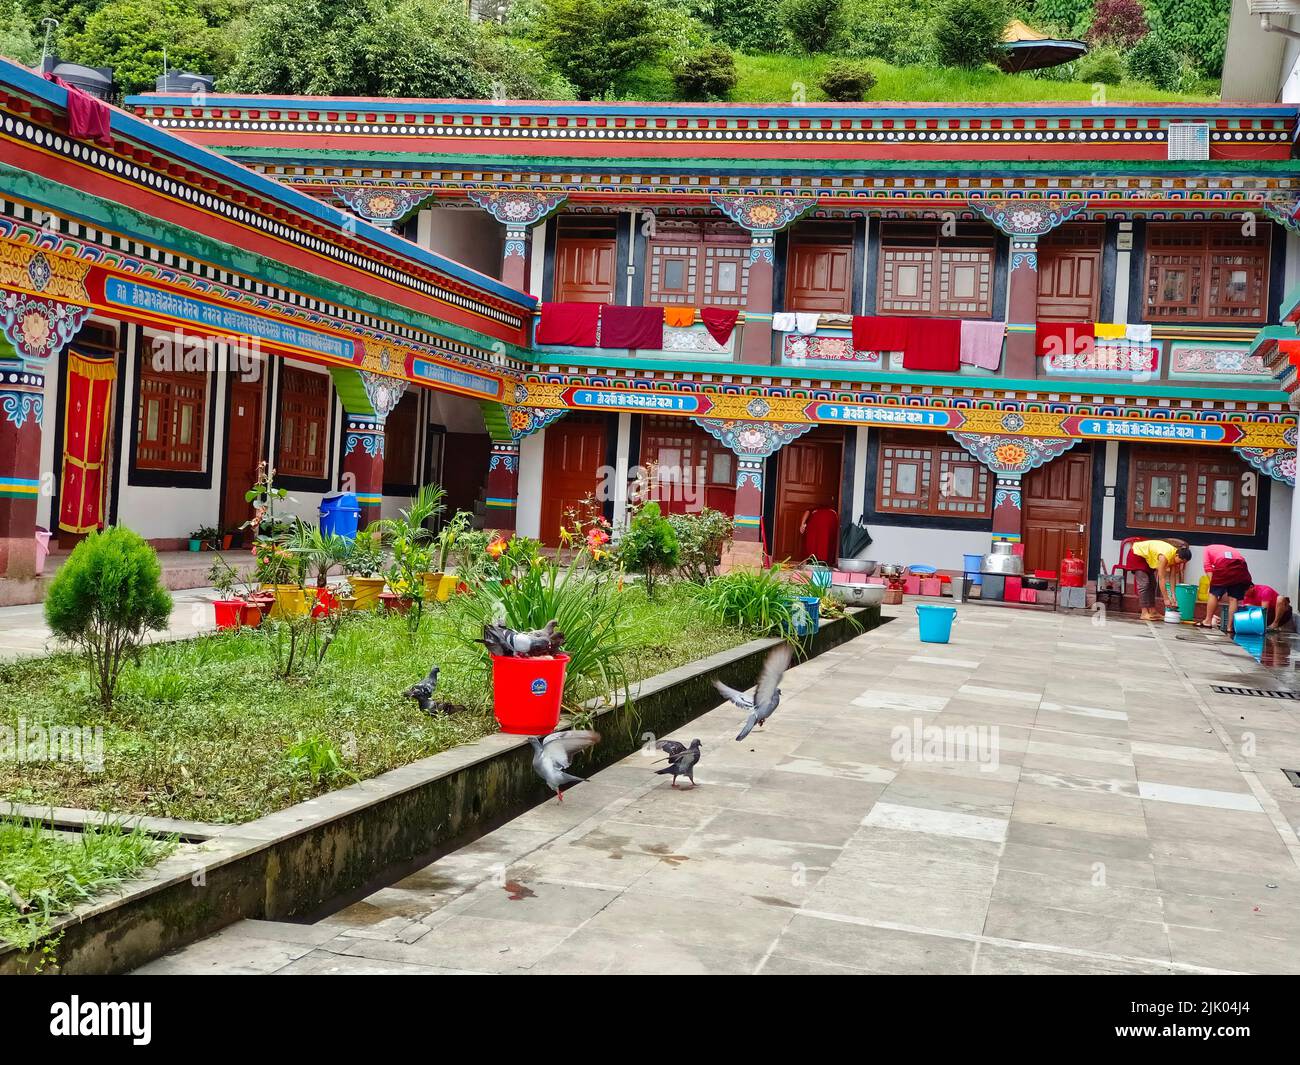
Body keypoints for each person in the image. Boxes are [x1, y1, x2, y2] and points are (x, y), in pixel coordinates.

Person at [1130, 539, 1191, 621]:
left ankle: (1153, 611)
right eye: (1181, 561)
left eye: (1183, 563)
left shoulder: (1175, 558)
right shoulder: (1164, 557)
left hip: (1147, 558)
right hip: (1137, 554)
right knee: (1144, 584)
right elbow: (1161, 578)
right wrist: (1166, 599)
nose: (1180, 564)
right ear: (1177, 555)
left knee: (1152, 584)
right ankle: (1144, 613)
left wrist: (1173, 597)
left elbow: (1172, 578)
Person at [1198, 544, 1251, 631]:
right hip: (1241, 566)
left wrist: (1214, 586)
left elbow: (1207, 567)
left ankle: (1207, 621)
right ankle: (1230, 627)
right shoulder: (1231, 549)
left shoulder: (1207, 549)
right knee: (1234, 599)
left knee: (1213, 594)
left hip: (1224, 563)